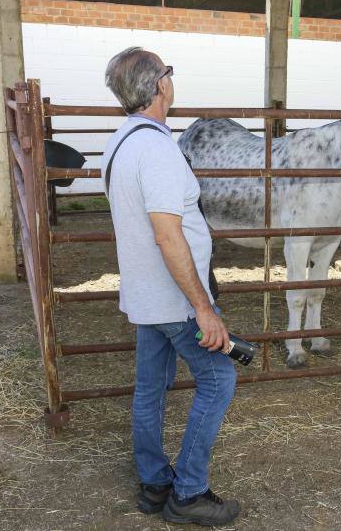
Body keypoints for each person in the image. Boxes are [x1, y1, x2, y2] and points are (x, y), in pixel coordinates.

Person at [102, 47, 240, 525]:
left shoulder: (120, 142)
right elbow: (167, 234)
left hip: (143, 295)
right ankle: (189, 492)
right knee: (220, 379)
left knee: (149, 389)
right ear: (159, 85)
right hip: (172, 299)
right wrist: (203, 307)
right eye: (169, 73)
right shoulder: (156, 149)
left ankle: (154, 483)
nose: (171, 80)